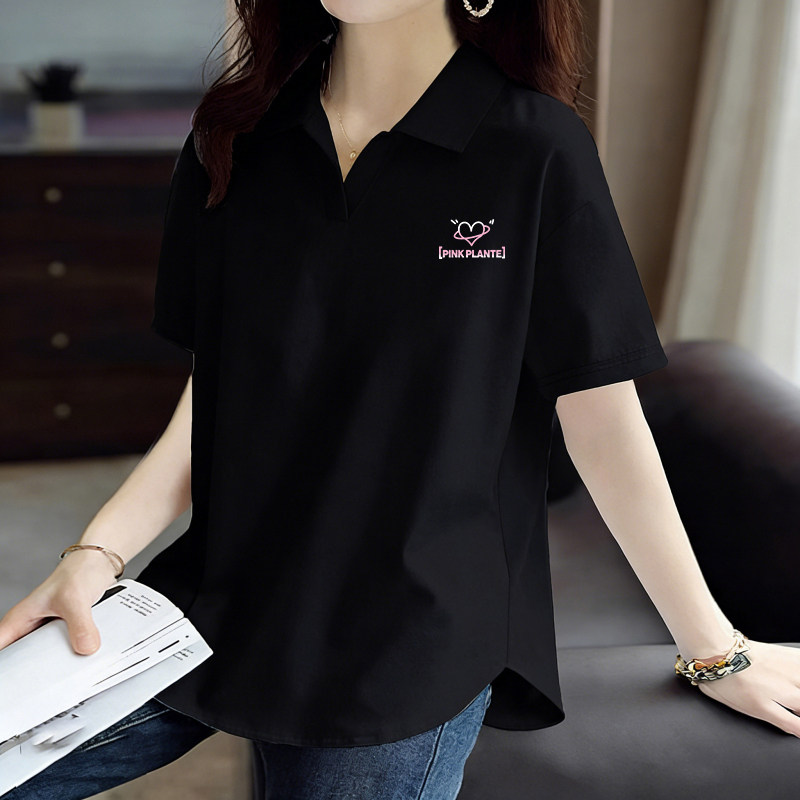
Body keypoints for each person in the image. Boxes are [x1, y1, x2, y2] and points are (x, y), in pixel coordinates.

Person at [3, 1, 800, 798]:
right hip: (221, 589)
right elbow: (216, 391)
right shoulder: (236, 134)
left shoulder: (532, 147)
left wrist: (714, 648)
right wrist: (96, 554)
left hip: (409, 633)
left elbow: (602, 420)